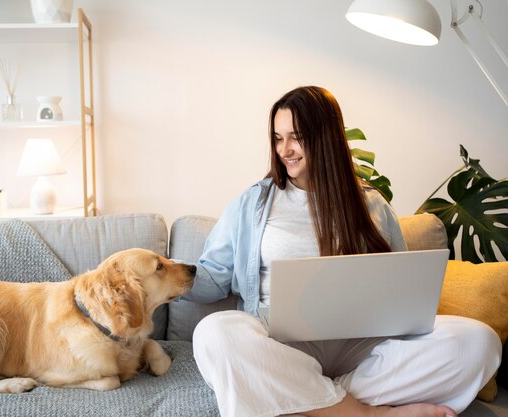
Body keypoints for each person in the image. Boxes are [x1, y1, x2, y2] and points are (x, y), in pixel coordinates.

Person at [184, 86, 500, 417]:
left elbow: (403, 287)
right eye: (277, 138)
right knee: (214, 333)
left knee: (480, 341)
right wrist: (159, 272)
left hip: (361, 348)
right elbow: (213, 276)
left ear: (326, 137)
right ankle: (365, 412)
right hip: (280, 346)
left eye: (296, 137)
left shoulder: (372, 203)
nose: (285, 150)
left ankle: (299, 399)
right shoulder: (253, 203)